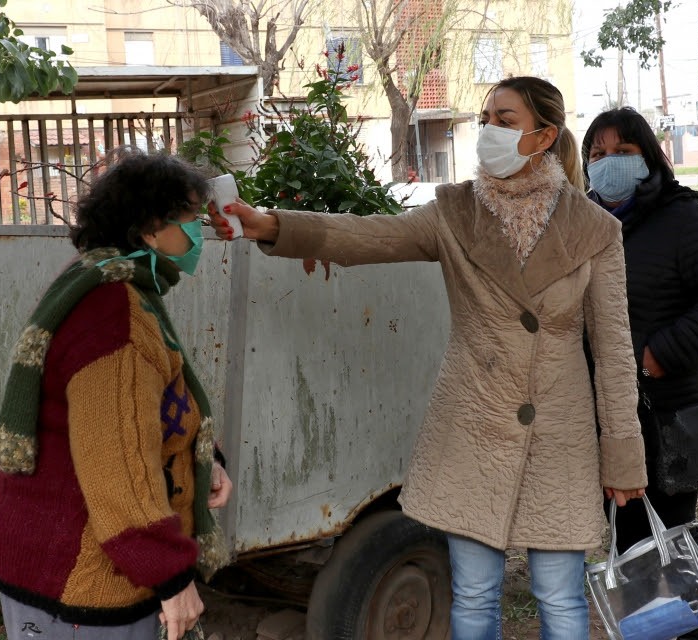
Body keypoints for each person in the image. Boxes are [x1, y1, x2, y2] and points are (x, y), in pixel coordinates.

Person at [209, 75, 647, 639]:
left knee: (560, 598)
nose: (488, 129)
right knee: (472, 594)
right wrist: (271, 223)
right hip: (471, 425)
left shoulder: (595, 230)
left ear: (543, 137)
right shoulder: (454, 212)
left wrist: (622, 458)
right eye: (485, 117)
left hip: (560, 434)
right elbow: (368, 237)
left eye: (505, 121)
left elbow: (614, 353)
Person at [0, 150, 233, 640]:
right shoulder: (115, 315)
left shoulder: (103, 281)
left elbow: (148, 416)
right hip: (77, 581)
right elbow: (117, 464)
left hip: (52, 560)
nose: (199, 232)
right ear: (150, 229)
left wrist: (207, 460)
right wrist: (171, 577)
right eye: (191, 220)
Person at [581, 107, 698, 640]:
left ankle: (682, 629)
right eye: (597, 154)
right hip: (606, 411)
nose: (608, 164)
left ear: (649, 157)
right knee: (625, 535)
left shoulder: (684, 215)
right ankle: (647, 627)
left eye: (623, 153)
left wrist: (653, 359)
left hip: (670, 411)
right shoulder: (583, 222)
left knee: (670, 536)